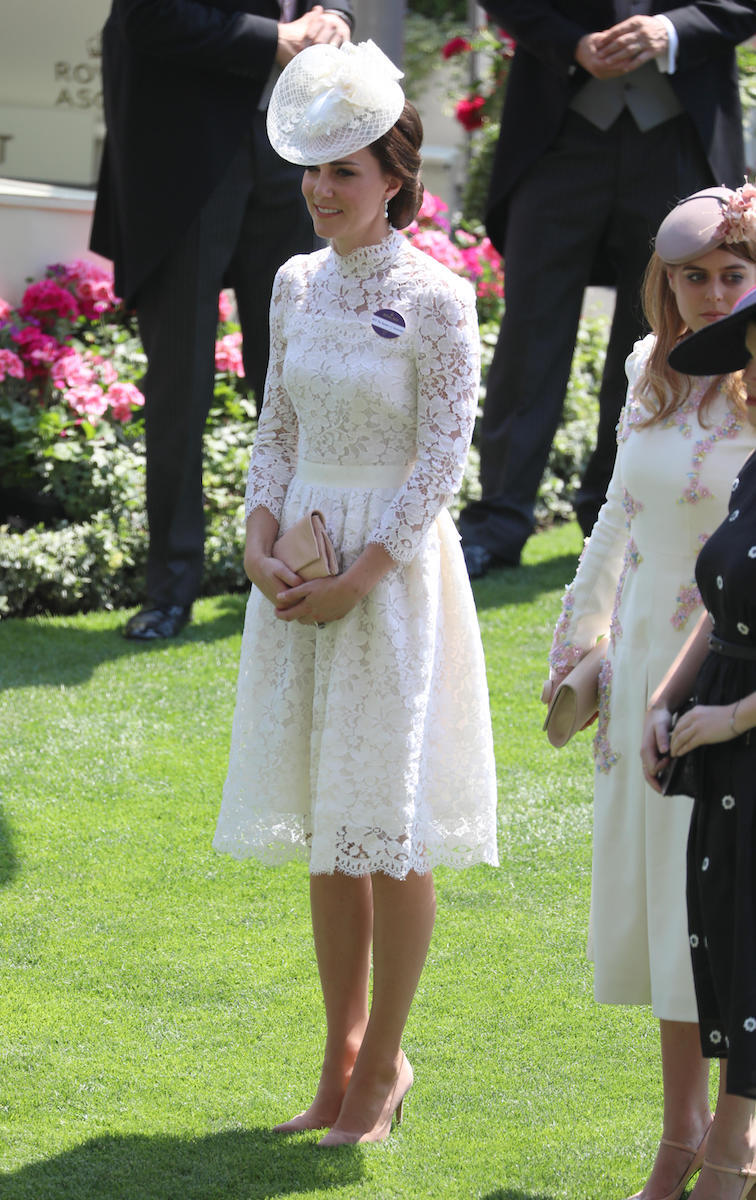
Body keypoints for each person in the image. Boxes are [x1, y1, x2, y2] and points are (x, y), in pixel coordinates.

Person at [212, 41, 498, 1145]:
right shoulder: (293, 283)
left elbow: (441, 459)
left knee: (389, 825)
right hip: (296, 570)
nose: (322, 189)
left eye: (346, 170)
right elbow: (275, 429)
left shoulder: (439, 296)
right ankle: (337, 1059)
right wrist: (257, 544)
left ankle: (386, 1066)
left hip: (392, 581)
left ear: (394, 179)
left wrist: (363, 577)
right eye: (313, 168)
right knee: (332, 832)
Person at [545, 186, 756, 1200]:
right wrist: (579, 643)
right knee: (657, 909)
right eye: (692, 276)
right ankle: (680, 1131)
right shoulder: (646, 367)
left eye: (733, 273)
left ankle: (732, 1141)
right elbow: (616, 516)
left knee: (717, 902)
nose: (712, 292)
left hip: (732, 661)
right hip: (642, 665)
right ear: (663, 284)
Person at [459, 1, 756, 578]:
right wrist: (569, 42)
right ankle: (497, 521)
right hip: (558, 134)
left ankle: (618, 510)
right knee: (529, 334)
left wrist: (670, 29)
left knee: (660, 331)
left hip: (679, 134)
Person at [90, 0, 354, 641]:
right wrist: (274, 38)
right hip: (187, 157)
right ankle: (171, 588)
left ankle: (301, 567)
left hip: (294, 149)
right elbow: (146, 16)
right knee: (181, 385)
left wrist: (336, 15)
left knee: (298, 380)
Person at [641, 280, 756, 1199]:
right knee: (725, 937)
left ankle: (733, 1153)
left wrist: (735, 716)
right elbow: (722, 604)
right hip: (723, 746)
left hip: (742, 731)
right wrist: (665, 699)